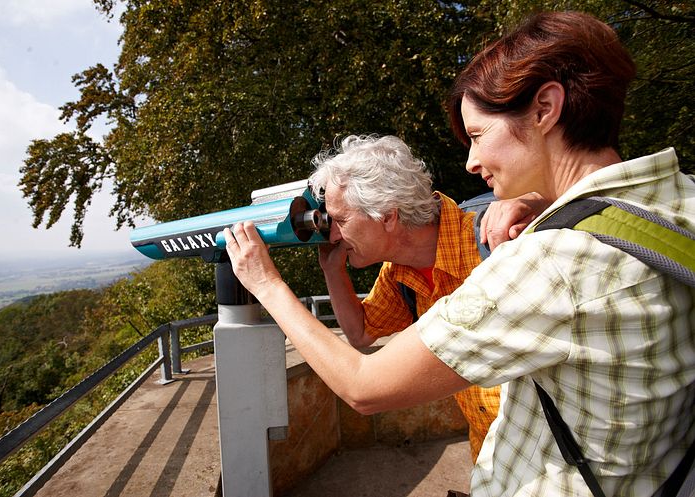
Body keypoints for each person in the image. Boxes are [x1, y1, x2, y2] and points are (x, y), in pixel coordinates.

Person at [223, 11, 695, 497]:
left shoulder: (531, 255)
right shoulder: (671, 201)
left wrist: (265, 283)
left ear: (545, 109)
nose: (469, 162)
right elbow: (362, 332)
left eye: (476, 135)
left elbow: (364, 385)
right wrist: (545, 202)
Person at [309, 134, 504, 463]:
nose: (334, 235)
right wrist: (332, 270)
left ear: (387, 215)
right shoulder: (399, 273)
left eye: (341, 220)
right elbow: (360, 332)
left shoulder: (493, 239)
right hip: (488, 458)